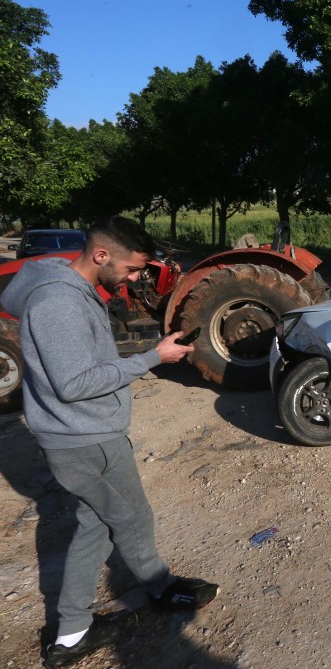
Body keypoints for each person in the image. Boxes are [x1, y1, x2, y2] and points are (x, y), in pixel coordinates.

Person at [0, 217, 220, 668]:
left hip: (89, 432)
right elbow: (74, 383)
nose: (136, 278)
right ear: (101, 255)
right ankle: (75, 633)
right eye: (133, 269)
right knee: (106, 523)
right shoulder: (58, 301)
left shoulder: (71, 291)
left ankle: (144, 592)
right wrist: (151, 359)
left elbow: (86, 359)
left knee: (113, 519)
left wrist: (150, 351)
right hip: (82, 438)